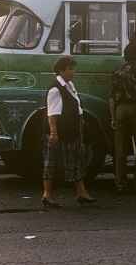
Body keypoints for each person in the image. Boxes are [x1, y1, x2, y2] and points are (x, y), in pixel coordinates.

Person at [41, 56, 96, 207]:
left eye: (73, 68)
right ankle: (47, 194)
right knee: (51, 162)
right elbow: (52, 113)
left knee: (76, 161)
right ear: (61, 70)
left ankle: (81, 192)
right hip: (60, 131)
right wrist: (53, 133)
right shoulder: (55, 89)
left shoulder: (69, 85)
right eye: (70, 69)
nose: (73, 72)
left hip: (71, 130)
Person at [109, 41, 136, 194]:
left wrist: (113, 117)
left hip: (120, 109)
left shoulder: (117, 71)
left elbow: (112, 97)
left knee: (120, 148)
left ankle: (120, 183)